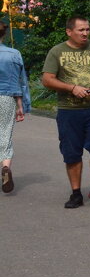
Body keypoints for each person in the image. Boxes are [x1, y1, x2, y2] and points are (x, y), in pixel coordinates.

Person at [41, 15, 90, 208]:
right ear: (69, 31)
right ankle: (76, 193)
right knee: (71, 152)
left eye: (87, 29)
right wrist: (72, 88)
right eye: (81, 30)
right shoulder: (57, 51)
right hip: (69, 110)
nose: (85, 33)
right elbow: (47, 79)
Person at [0, 22, 32, 194]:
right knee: (5, 133)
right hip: (6, 98)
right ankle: (5, 167)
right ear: (4, 34)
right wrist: (21, 105)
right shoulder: (14, 54)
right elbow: (20, 82)